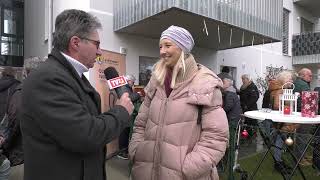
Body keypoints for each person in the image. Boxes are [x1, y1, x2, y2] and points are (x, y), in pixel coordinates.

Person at [20, 9, 134, 180]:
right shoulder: (48, 78)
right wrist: (121, 110)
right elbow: (87, 135)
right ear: (75, 42)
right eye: (97, 44)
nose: (100, 52)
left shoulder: (68, 75)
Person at [129, 25, 229, 180]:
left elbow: (216, 137)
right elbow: (140, 124)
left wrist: (188, 169)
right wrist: (136, 151)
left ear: (183, 48)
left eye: (168, 45)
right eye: (160, 46)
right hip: (146, 171)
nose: (162, 51)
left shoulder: (204, 84)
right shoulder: (155, 82)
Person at [265, 71, 296, 174]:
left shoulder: (279, 89)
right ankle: (278, 163)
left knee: (279, 141)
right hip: (280, 121)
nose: (291, 81)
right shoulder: (280, 90)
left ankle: (279, 162)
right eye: (289, 79)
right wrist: (290, 107)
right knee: (279, 141)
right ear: (283, 80)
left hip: (279, 120)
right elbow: (277, 106)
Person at [221, 77, 241, 180]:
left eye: (222, 83)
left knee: (230, 141)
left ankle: (228, 163)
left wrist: (219, 111)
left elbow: (228, 106)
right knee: (231, 141)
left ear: (227, 84)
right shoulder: (233, 92)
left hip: (232, 120)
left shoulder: (229, 94)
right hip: (235, 118)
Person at [117, 74, 141, 160]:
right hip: (124, 113)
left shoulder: (126, 87)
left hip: (126, 113)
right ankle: (122, 152)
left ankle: (124, 151)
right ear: (129, 81)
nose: (133, 84)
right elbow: (129, 98)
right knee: (124, 132)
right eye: (133, 82)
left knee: (126, 132)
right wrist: (137, 94)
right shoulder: (124, 87)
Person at [293, 68, 313, 166]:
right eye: (309, 75)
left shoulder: (296, 82)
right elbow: (309, 100)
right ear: (302, 75)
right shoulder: (304, 84)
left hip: (297, 113)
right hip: (304, 114)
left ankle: (302, 155)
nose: (311, 77)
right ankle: (300, 159)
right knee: (303, 136)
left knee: (300, 136)